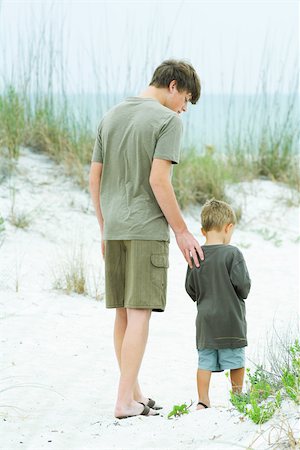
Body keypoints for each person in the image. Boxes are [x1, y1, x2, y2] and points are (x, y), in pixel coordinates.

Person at [89, 59, 203, 419]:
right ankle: (124, 401)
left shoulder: (111, 116)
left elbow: (95, 178)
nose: (184, 107)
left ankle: (134, 394)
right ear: (172, 86)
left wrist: (104, 226)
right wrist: (182, 232)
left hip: (115, 227)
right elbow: (159, 181)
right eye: (185, 98)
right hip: (145, 230)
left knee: (123, 314)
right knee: (140, 314)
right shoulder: (168, 121)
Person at [185, 198, 251, 410]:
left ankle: (203, 400)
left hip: (205, 322)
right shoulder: (232, 253)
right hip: (231, 320)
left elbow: (190, 289)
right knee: (236, 360)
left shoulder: (196, 254)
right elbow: (243, 286)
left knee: (204, 362)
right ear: (228, 227)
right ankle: (238, 397)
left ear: (203, 231)